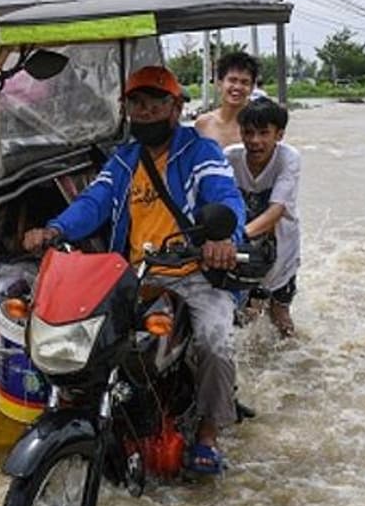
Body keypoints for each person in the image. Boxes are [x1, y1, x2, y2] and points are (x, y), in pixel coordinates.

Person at [22, 65, 245, 476]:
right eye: (136, 104)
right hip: (134, 274)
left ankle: (210, 434)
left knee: (214, 342)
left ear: (175, 108)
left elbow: (225, 195)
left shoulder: (200, 152)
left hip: (193, 272)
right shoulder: (123, 161)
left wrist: (223, 237)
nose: (145, 112)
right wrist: (55, 229)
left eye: (155, 103)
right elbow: (94, 203)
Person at [226, 98, 301, 338]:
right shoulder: (230, 158)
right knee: (245, 315)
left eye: (263, 133)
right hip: (243, 250)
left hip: (281, 249)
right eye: (248, 133)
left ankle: (293, 362)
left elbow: (275, 212)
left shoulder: (288, 158)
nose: (255, 141)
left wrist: (236, 237)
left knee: (279, 315)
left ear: (279, 135)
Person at [196, 52, 265, 149]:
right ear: (220, 83)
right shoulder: (203, 124)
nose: (237, 87)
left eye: (244, 82)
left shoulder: (261, 125)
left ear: (252, 87)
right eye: (232, 80)